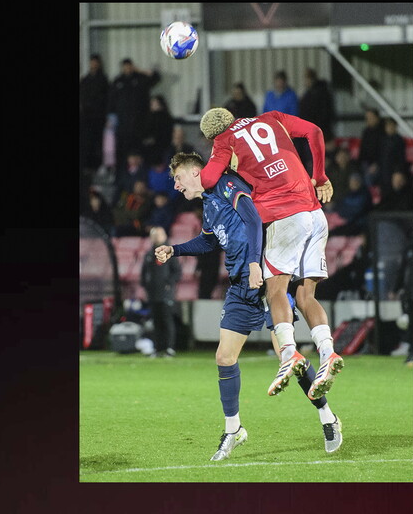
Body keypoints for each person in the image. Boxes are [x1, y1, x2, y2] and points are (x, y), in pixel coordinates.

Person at [156, 152, 342, 459]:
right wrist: (174, 250)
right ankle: (234, 430)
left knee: (289, 358)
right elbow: (209, 241)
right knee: (224, 357)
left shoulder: (227, 185)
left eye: (178, 178)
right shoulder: (209, 204)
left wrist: (255, 263)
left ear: (195, 172)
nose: (176, 186)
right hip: (240, 286)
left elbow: (254, 218)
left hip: (266, 280)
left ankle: (328, 417)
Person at [197, 107, 345, 403]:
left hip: (284, 215)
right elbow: (314, 131)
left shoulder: (224, 140)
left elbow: (208, 179)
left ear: (212, 136)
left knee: (275, 290)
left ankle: (288, 354)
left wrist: (219, 162)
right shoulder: (271, 118)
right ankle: (328, 352)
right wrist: (319, 176)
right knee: (305, 296)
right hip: (315, 214)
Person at [109, 58, 161, 174]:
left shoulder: (140, 78)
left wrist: (141, 71)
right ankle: (122, 175)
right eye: (125, 67)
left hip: (139, 125)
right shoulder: (118, 81)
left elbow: (156, 78)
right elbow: (111, 101)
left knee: (139, 151)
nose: (127, 69)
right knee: (122, 153)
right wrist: (110, 118)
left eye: (129, 66)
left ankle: (140, 175)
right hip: (123, 127)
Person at [141, 226, 181, 358]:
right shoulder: (149, 254)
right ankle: (157, 348)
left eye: (158, 235)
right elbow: (144, 272)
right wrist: (145, 285)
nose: (156, 238)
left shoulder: (169, 253)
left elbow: (177, 271)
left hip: (165, 294)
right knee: (156, 322)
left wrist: (169, 284)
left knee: (167, 321)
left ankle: (170, 348)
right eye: (154, 235)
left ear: (164, 236)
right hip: (153, 294)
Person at [79, 54, 109, 175]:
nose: (93, 64)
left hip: (98, 117)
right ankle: (87, 166)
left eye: (95, 62)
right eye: (92, 62)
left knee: (98, 142)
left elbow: (107, 99)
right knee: (87, 142)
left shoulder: (103, 80)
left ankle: (98, 165)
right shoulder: (85, 80)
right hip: (86, 118)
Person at [298, 68, 336, 144]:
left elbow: (323, 113)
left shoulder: (318, 94)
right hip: (312, 130)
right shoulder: (311, 93)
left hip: (317, 130)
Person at [140, 95, 174, 167]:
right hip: (153, 148)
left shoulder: (162, 118)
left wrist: (153, 139)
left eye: (154, 103)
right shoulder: (150, 117)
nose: (152, 105)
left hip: (160, 148)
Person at [377, 117, 408, 196]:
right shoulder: (383, 140)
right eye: (387, 125)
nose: (389, 127)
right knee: (385, 192)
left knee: (395, 192)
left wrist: (398, 171)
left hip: (394, 171)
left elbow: (401, 157)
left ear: (395, 127)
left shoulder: (399, 140)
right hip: (383, 170)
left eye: (391, 125)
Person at [357, 108, 385, 186]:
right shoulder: (366, 132)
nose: (368, 120)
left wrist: (377, 164)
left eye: (370, 118)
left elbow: (384, 152)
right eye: (367, 118)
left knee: (368, 178)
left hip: (378, 164)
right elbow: (362, 151)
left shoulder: (383, 132)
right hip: (365, 163)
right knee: (355, 177)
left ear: (377, 118)